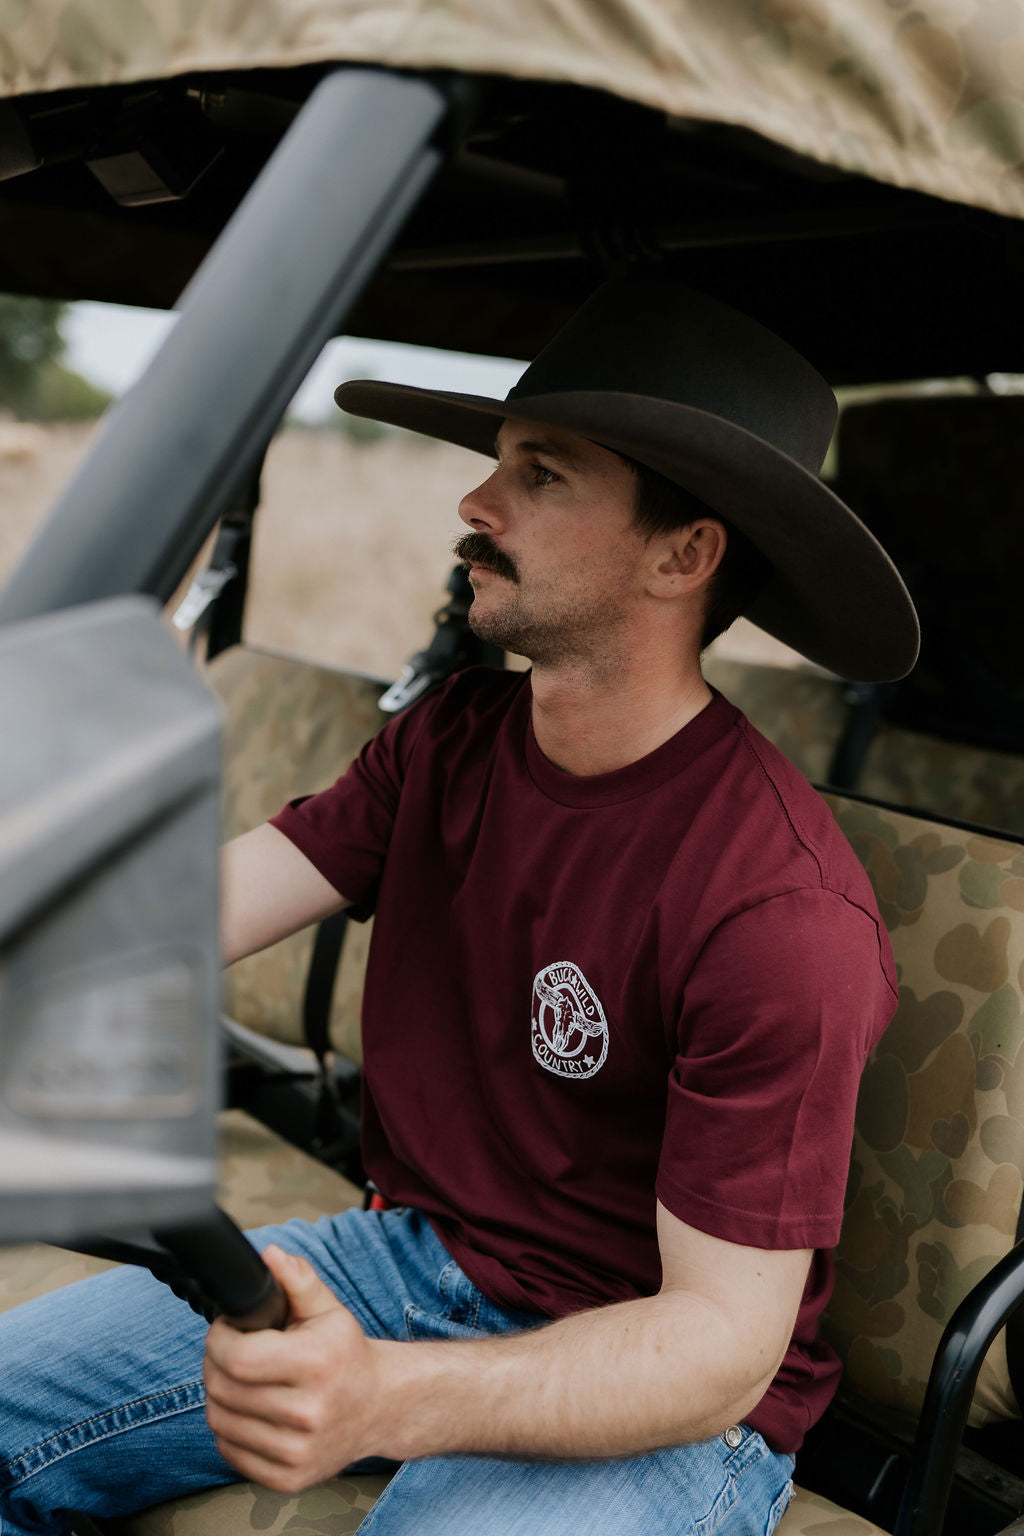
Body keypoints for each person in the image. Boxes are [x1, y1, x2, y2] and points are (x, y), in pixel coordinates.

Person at [0, 278, 919, 1536]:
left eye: (540, 476)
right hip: (410, 1258)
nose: (474, 505)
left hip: (649, 1383)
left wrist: (381, 1398)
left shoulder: (779, 913)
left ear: (683, 553)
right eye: (499, 464)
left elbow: (715, 1347)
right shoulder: (451, 744)